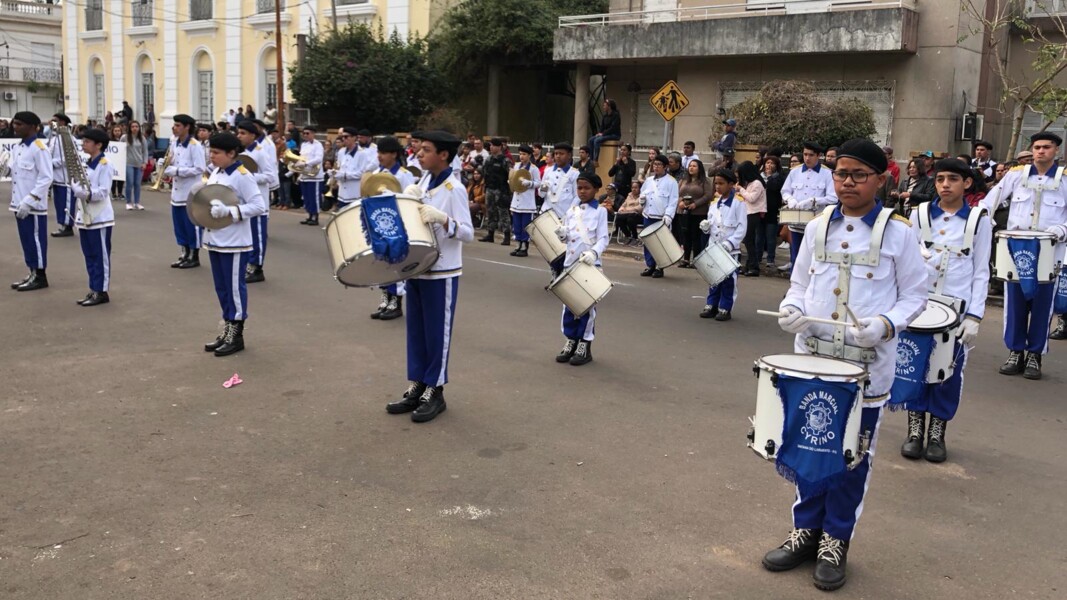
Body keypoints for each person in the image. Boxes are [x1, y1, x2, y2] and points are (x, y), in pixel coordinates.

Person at [766, 138, 927, 592]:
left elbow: (916, 295)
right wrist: (791, 307)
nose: (848, 183)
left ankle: (835, 539)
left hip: (866, 368)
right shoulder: (818, 226)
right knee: (809, 445)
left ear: (881, 179)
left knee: (852, 456)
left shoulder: (899, 232)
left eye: (858, 175)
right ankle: (805, 531)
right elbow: (799, 282)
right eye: (841, 174)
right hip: (814, 359)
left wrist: (886, 323)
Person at [893, 158, 991, 463]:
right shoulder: (919, 214)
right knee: (916, 368)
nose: (945, 184)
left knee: (948, 372)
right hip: (920, 307)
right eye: (939, 179)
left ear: (967, 183)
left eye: (952, 179)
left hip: (956, 308)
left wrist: (974, 316)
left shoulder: (979, 219)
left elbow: (980, 271)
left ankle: (937, 433)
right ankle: (914, 431)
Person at [384, 130, 474, 424]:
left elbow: (468, 232)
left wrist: (444, 219)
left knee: (437, 333)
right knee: (416, 331)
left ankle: (435, 390)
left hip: (443, 270)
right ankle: (418, 384)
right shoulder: (422, 181)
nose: (418, 154)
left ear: (444, 155)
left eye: (425, 150)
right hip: (417, 266)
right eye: (418, 149)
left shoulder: (454, 188)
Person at [982, 132, 1067, 379]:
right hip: (1016, 250)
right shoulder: (1016, 175)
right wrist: (983, 225)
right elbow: (990, 202)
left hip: (1050, 251)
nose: (1041, 151)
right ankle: (1015, 351)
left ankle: (1035, 355)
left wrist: (1062, 230)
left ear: (1056, 152)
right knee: (1015, 304)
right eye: (1037, 147)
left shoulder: (1064, 180)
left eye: (1047, 147)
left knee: (1042, 306)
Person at [198, 132, 268, 357]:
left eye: (216, 153)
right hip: (216, 239)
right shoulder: (217, 171)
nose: (212, 157)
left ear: (231, 153)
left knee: (234, 289)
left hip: (235, 242)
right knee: (222, 288)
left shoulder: (242, 175)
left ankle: (236, 335)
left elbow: (258, 206)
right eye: (211, 152)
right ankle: (227, 329)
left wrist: (231, 211)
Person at [553, 172, 610, 366]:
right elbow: (568, 237)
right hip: (570, 263)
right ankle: (570, 339)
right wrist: (562, 234)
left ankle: (584, 344)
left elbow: (603, 238)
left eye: (586, 188)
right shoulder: (571, 211)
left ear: (595, 189)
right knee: (568, 305)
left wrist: (594, 253)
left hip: (589, 265)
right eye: (579, 188)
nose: (582, 191)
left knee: (586, 308)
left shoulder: (600, 212)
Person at [368, 135, 417, 321]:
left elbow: (410, 200)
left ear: (394, 154)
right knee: (382, 265)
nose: (379, 156)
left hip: (397, 226)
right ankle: (384, 302)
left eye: (383, 152)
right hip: (379, 225)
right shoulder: (376, 174)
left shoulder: (404, 175)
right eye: (378, 152)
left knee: (395, 265)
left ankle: (396, 304)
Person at [68, 128, 116, 306]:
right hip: (86, 216)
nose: (83, 144)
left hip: (100, 216)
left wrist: (84, 193)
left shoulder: (105, 164)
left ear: (99, 145)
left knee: (100, 255)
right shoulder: (87, 163)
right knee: (89, 254)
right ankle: (93, 288)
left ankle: (101, 291)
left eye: (87, 141)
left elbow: (103, 192)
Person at [8, 111, 54, 292]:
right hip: (19, 201)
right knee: (26, 240)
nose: (15, 127)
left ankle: (41, 276)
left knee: (36, 240)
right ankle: (32, 271)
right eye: (15, 123)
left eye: (19, 124)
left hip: (32, 205)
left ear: (33, 127)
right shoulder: (18, 148)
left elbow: (46, 177)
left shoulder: (39, 148)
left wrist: (31, 200)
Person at [698, 168, 748, 320]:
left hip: (729, 250)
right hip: (714, 247)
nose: (718, 187)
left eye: (721, 183)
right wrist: (706, 228)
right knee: (714, 278)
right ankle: (711, 304)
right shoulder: (714, 204)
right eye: (716, 183)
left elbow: (741, 228)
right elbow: (712, 225)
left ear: (731, 184)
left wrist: (730, 243)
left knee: (728, 281)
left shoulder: (738, 204)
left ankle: (725, 307)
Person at [780, 141, 837, 272]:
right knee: (796, 258)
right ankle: (794, 290)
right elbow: (785, 190)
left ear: (818, 156)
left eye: (811, 155)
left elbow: (833, 197)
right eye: (805, 154)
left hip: (815, 223)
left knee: (813, 259)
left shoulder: (827, 174)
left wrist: (814, 201)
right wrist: (790, 199)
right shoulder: (795, 172)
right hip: (795, 223)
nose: (807, 158)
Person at [236, 120, 278, 284]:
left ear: (253, 136)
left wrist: (249, 177)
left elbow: (270, 176)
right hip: (244, 201)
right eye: (238, 133)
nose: (239, 136)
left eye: (243, 133)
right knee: (246, 235)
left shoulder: (260, 152)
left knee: (257, 236)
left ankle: (257, 268)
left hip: (258, 201)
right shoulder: (240, 151)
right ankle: (248, 265)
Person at [164, 114, 208, 268]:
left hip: (190, 191)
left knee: (192, 225)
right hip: (177, 191)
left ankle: (194, 256)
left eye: (177, 125)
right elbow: (171, 160)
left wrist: (176, 171)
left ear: (187, 127)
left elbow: (199, 168)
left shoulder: (194, 145)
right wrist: (164, 166)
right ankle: (184, 253)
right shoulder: (174, 143)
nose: (174, 128)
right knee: (179, 225)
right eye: (174, 125)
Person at [638, 154, 679, 278]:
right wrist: (642, 201)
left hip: (661, 217)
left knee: (660, 244)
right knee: (648, 242)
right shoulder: (649, 180)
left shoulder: (671, 182)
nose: (656, 167)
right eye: (654, 164)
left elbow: (673, 201)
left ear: (665, 167)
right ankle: (650, 265)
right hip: (648, 214)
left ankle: (660, 267)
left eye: (659, 165)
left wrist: (668, 216)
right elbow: (642, 194)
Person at [677, 158, 713, 268]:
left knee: (696, 237)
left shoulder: (705, 181)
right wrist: (681, 202)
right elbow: (677, 194)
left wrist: (695, 204)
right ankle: (686, 259)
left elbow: (708, 195)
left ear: (699, 168)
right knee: (685, 235)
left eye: (694, 166)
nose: (691, 168)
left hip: (698, 212)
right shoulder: (683, 180)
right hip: (684, 212)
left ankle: (696, 259)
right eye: (690, 166)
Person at [509, 144, 542, 258]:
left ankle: (524, 247)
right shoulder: (517, 165)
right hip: (516, 200)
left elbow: (539, 183)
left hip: (527, 202)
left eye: (524, 154)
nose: (521, 156)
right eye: (520, 154)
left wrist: (530, 183)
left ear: (529, 155)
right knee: (516, 224)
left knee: (525, 225)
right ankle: (517, 245)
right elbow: (512, 177)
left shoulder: (534, 168)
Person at [737, 161, 768, 277]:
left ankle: (754, 266)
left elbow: (751, 198)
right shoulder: (751, 183)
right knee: (748, 240)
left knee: (749, 240)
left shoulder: (757, 183)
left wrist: (740, 189)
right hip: (748, 212)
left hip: (754, 213)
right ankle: (749, 265)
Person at [48, 113, 76, 237]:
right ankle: (62, 224)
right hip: (56, 177)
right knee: (59, 202)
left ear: (63, 123)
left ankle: (68, 225)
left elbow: (68, 157)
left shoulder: (68, 138)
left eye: (55, 121)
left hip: (66, 176)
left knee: (67, 201)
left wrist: (52, 163)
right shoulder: (53, 138)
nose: (52, 123)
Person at [480, 138, 512, 245]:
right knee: (490, 211)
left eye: (493, 145)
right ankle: (490, 234)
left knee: (503, 212)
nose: (491, 147)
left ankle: (507, 235)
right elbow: (484, 172)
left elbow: (511, 175)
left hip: (501, 190)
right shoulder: (488, 159)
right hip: (490, 188)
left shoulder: (505, 160)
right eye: (490, 145)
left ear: (499, 147)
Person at [332, 127, 372, 212]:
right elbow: (338, 167)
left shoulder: (362, 154)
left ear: (354, 138)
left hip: (354, 193)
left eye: (346, 137)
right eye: (342, 137)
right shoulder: (341, 152)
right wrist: (334, 174)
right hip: (342, 192)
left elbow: (362, 173)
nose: (344, 139)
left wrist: (345, 175)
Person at [540, 142, 580, 221]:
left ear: (569, 155)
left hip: (564, 215)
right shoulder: (548, 171)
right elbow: (541, 194)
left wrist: (569, 213)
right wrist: (545, 186)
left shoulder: (574, 173)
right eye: (556, 153)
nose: (558, 156)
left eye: (561, 154)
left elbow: (577, 196)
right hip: (546, 214)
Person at [296, 126, 325, 226]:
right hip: (305, 174)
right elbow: (301, 157)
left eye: (307, 133)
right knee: (306, 197)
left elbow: (318, 159)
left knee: (314, 197)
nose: (305, 135)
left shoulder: (318, 145)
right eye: (304, 133)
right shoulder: (304, 145)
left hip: (314, 175)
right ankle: (309, 215)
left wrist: (306, 163)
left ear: (313, 134)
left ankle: (315, 217)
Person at [761, 156, 785, 267]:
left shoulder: (779, 178)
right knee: (759, 236)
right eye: (767, 163)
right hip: (760, 209)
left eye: (772, 163)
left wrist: (770, 177)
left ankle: (770, 259)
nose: (769, 165)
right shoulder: (759, 176)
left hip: (772, 210)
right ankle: (758, 256)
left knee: (771, 236)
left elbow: (774, 188)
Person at [122, 120, 149, 211]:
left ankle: (137, 202)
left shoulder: (142, 138)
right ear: (129, 128)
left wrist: (145, 162)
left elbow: (145, 151)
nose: (134, 128)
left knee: (137, 183)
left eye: (136, 126)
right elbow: (119, 149)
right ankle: (128, 202)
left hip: (139, 163)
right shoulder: (124, 137)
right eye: (133, 126)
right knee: (129, 183)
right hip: (128, 163)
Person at [588, 99, 621, 164]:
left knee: (597, 141)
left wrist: (602, 134)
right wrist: (599, 133)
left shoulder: (616, 115)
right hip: (605, 134)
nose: (603, 107)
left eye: (605, 105)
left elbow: (613, 128)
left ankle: (595, 160)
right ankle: (591, 159)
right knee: (591, 140)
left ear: (609, 106)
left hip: (614, 135)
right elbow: (602, 127)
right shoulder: (605, 116)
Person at [109, 124, 125, 201]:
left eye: (119, 131)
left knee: (121, 179)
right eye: (115, 131)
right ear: (113, 132)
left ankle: (120, 193)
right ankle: (113, 194)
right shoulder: (110, 140)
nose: (117, 132)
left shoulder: (123, 140)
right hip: (112, 161)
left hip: (121, 162)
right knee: (113, 179)